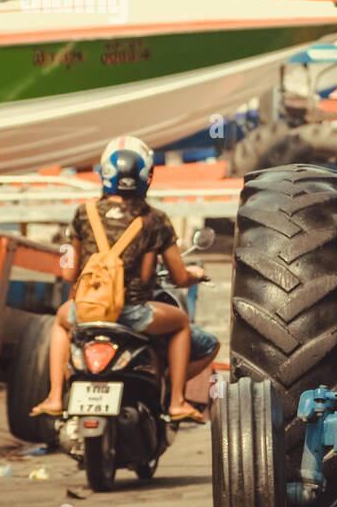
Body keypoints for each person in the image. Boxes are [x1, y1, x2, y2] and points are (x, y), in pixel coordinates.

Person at [30, 136, 214, 423]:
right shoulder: (155, 219)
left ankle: (55, 396)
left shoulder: (84, 213)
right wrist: (195, 276)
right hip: (133, 314)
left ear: (105, 175)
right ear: (145, 177)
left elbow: (68, 271)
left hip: (88, 311)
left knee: (60, 319)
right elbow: (178, 277)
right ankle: (176, 400)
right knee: (180, 323)